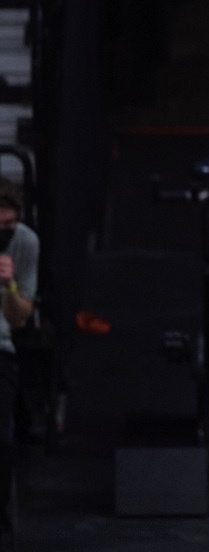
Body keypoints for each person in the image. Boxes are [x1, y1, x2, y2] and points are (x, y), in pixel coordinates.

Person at [0, 178, 37, 551]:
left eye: (10, 225)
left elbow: (20, 319)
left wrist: (8, 285)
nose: (5, 232)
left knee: (3, 439)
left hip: (1, 348)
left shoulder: (25, 243)